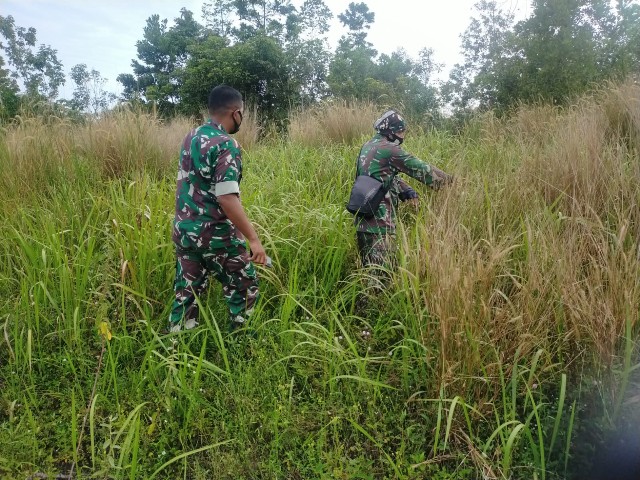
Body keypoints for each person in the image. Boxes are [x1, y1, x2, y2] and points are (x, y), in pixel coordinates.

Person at [168, 85, 267, 333]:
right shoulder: (226, 144)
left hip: (184, 230)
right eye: (242, 113)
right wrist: (253, 239)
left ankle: (177, 343)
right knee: (243, 282)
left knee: (187, 289)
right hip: (213, 233)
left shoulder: (190, 137)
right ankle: (243, 341)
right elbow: (227, 198)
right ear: (236, 113)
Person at [351, 109, 452, 281]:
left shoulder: (367, 147)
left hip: (363, 219)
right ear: (392, 131)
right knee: (381, 280)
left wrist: (406, 190)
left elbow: (379, 177)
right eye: (401, 131)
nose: (403, 135)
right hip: (380, 225)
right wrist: (452, 182)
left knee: (368, 275)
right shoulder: (390, 149)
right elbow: (424, 171)